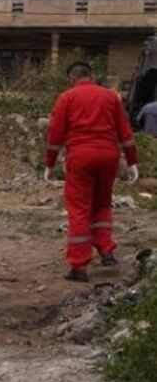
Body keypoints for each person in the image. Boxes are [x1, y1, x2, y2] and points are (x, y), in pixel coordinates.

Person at [44, 62, 139, 283]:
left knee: (79, 209)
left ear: (71, 78)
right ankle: (106, 251)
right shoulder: (110, 97)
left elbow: (55, 134)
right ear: (92, 76)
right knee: (102, 203)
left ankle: (79, 266)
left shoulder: (66, 98)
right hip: (109, 156)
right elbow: (125, 131)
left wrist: (49, 164)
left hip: (81, 156)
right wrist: (132, 161)